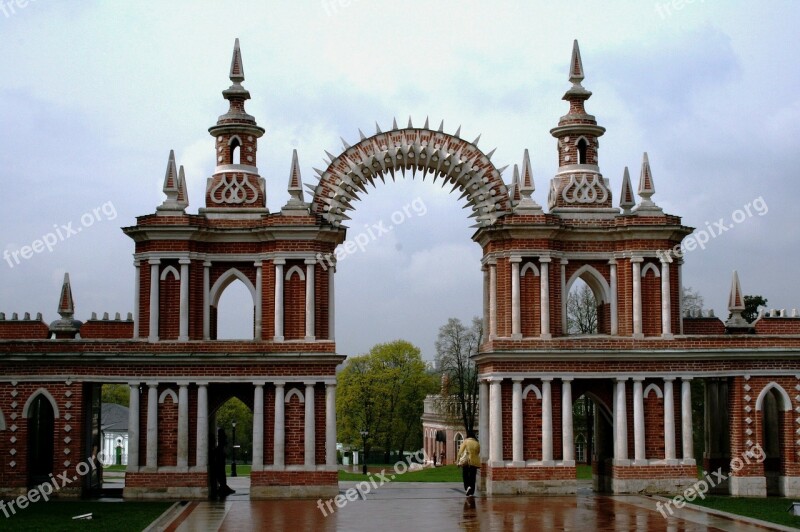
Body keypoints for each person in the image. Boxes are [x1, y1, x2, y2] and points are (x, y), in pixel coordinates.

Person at [457, 431, 481, 497]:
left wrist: (458, 460)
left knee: (465, 475)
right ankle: (471, 491)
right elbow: (478, 452)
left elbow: (460, 452)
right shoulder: (477, 443)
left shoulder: (466, 442)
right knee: (473, 477)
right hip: (474, 462)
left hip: (466, 461)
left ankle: (467, 487)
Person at [213, 428, 235, 497]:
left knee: (222, 474)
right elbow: (224, 443)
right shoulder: (220, 443)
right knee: (221, 474)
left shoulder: (220, 443)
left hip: (220, 459)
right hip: (219, 461)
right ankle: (223, 487)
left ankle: (223, 487)